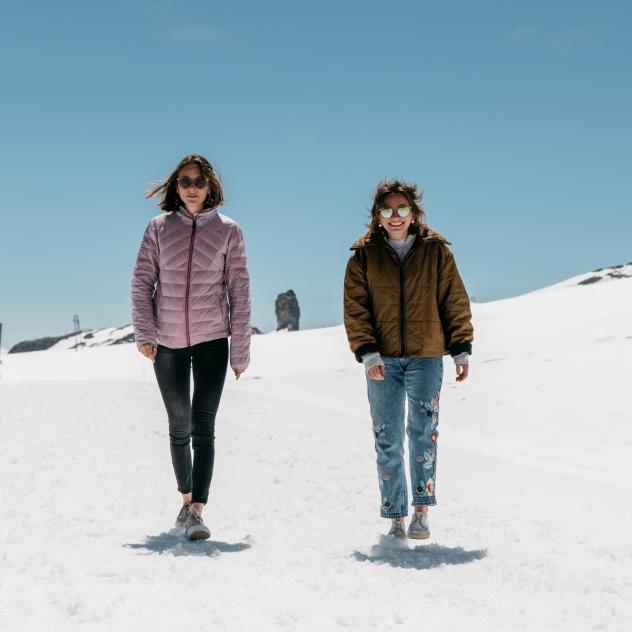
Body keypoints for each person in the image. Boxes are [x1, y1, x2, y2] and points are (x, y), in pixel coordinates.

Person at [343, 179, 473, 540]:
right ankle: (395, 514)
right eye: (387, 210)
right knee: (387, 437)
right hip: (380, 360)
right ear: (377, 217)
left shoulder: (436, 252)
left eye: (402, 209)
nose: (395, 216)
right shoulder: (363, 257)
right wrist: (368, 352)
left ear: (414, 213)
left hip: (427, 356)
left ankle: (420, 510)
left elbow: (454, 301)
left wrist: (461, 347)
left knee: (423, 433)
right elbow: (356, 310)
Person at [131, 154, 251, 540]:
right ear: (176, 187)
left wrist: (240, 350)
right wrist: (145, 333)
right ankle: (185, 499)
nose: (192, 187)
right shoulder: (158, 228)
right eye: (185, 181)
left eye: (199, 181)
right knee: (178, 423)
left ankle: (198, 510)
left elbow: (239, 289)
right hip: (167, 342)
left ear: (210, 185)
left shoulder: (229, 230)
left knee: (204, 426)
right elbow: (141, 283)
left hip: (213, 339)